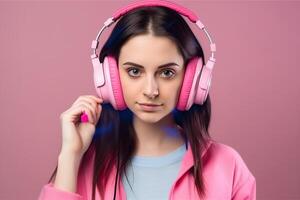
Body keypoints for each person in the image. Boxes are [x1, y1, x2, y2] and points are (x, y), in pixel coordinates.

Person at [38, 1, 256, 200]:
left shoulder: (228, 165)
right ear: (108, 76)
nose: (151, 90)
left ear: (194, 79)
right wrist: (70, 155)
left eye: (167, 73)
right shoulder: (84, 164)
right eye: (134, 71)